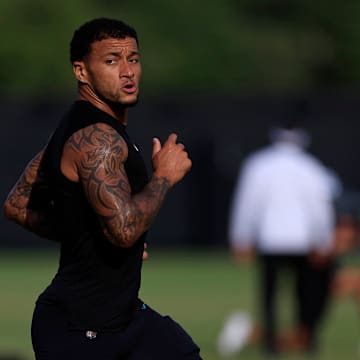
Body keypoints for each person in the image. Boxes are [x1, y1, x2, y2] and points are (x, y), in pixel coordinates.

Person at [3, 18, 202, 360]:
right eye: (111, 61)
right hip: (82, 330)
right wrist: (164, 176)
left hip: (124, 320)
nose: (127, 72)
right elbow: (124, 229)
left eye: (133, 59)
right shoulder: (97, 141)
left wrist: (96, 238)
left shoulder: (83, 128)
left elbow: (17, 204)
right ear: (82, 71)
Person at [228, 120, 341, 354]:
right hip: (303, 240)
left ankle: (271, 343)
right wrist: (324, 240)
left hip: (271, 238)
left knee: (270, 293)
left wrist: (241, 236)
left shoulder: (258, 165)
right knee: (303, 291)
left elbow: (247, 203)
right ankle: (307, 338)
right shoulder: (311, 167)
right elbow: (320, 207)